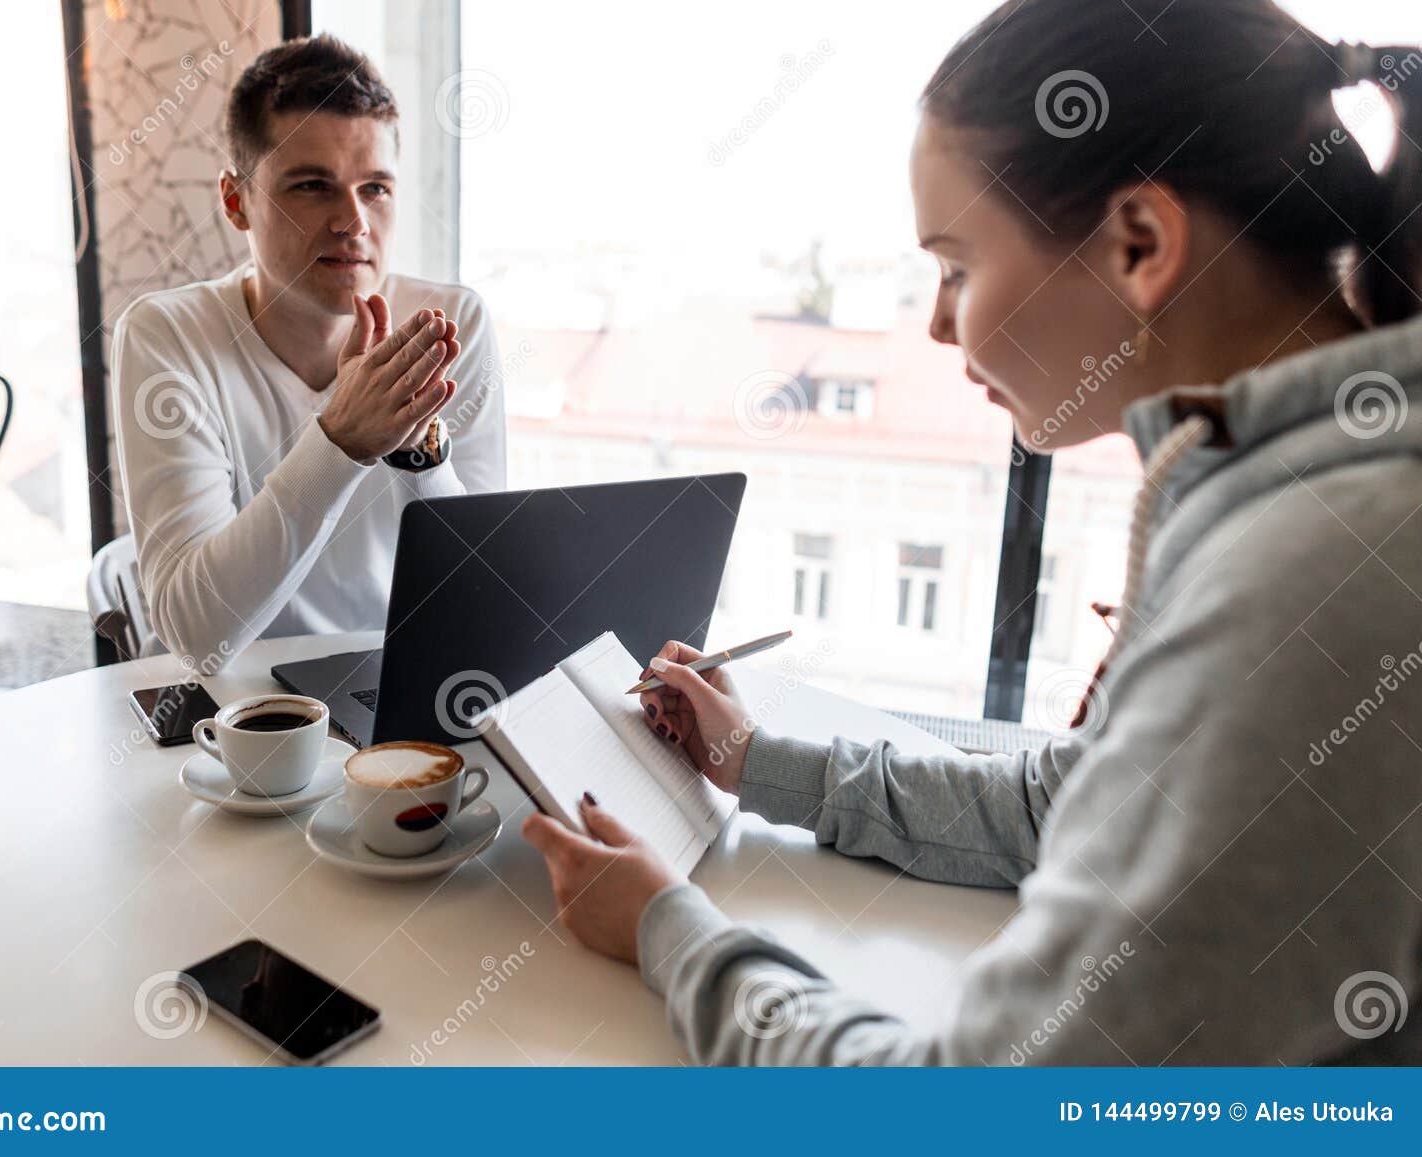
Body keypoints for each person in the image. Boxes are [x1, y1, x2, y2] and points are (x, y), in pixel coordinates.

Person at [523, 0, 1422, 1064]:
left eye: (953, 266)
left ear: (1140, 242)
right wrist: (753, 758)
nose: (940, 324)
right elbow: (1073, 798)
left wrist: (670, 930)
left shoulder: (1308, 568)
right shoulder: (1303, 493)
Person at [111, 35, 505, 665]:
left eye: (375, 188)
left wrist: (421, 458)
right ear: (236, 201)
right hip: (231, 716)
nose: (353, 221)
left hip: (393, 692)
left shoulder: (452, 323)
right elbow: (195, 636)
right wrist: (338, 444)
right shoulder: (169, 336)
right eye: (312, 187)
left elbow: (481, 601)